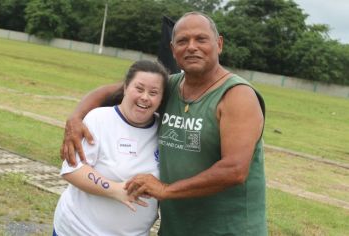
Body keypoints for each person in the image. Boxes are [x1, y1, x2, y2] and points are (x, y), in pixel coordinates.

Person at [61, 11, 267, 236]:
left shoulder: (237, 96)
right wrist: (76, 118)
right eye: (182, 41)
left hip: (227, 229)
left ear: (219, 44)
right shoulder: (169, 87)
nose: (191, 47)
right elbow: (112, 91)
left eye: (201, 39)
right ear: (172, 49)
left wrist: (165, 190)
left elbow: (234, 170)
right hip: (176, 228)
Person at [53, 60, 169, 236]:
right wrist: (116, 190)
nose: (145, 97)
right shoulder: (99, 118)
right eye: (139, 89)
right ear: (125, 88)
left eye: (153, 93)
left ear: (161, 99)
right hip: (77, 230)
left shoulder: (164, 129)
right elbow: (72, 169)